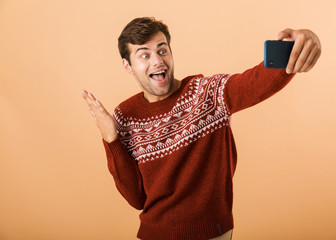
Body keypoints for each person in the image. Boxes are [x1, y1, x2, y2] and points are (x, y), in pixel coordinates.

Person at [81, 17, 321, 240]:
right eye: (144, 55)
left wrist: (302, 40)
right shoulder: (125, 115)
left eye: (162, 50)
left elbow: (257, 82)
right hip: (153, 234)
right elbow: (136, 198)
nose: (157, 60)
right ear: (128, 66)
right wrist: (111, 138)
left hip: (210, 233)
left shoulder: (206, 93)